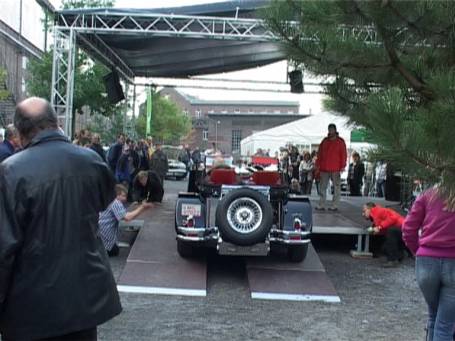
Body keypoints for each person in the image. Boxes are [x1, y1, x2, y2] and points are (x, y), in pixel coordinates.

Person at [0, 97, 121, 340]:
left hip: (31, 309)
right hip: (84, 301)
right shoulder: (92, 160)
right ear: (56, 123)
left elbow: (4, 247)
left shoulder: (10, 171)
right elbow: (105, 201)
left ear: (21, 132)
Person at [402, 188, 455, 341]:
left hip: (426, 262)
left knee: (434, 315)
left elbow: (408, 228)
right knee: (445, 325)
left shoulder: (428, 195)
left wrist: (417, 251)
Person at [99, 184, 153, 257]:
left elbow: (122, 214)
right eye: (123, 196)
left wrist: (133, 207)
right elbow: (127, 218)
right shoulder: (116, 202)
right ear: (117, 195)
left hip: (99, 235)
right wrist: (142, 207)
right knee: (115, 251)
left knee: (114, 249)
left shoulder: (109, 199)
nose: (125, 198)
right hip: (106, 239)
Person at [362, 202, 406, 267]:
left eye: (364, 211)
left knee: (390, 232)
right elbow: (384, 227)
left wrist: (380, 227)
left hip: (403, 229)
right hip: (401, 230)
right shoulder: (376, 214)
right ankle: (400, 254)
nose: (363, 214)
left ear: (370, 209)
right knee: (387, 237)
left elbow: (393, 218)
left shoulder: (378, 211)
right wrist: (377, 230)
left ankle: (392, 260)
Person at [315, 123, 347, 211]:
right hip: (324, 168)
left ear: (335, 130)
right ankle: (321, 204)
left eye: (332, 129)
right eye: (329, 129)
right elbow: (319, 154)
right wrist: (317, 165)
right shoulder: (324, 141)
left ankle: (335, 205)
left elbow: (343, 154)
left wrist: (343, 165)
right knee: (322, 187)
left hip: (336, 168)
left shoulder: (340, 142)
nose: (330, 131)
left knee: (336, 187)